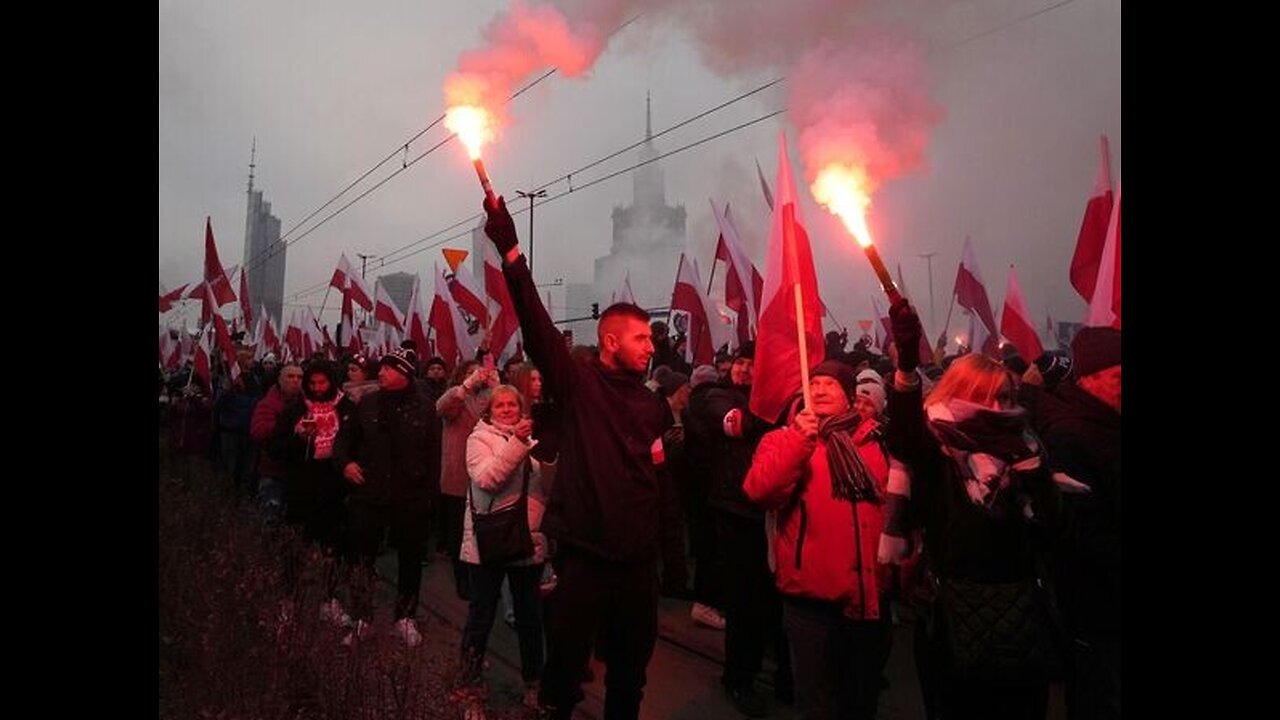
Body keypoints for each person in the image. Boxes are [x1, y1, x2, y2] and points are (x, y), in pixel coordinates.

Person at [483, 194, 685, 720]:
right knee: (565, 672)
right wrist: (511, 252)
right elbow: (536, 324)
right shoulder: (580, 384)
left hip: (639, 567)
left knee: (629, 675)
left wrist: (672, 550)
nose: (650, 346)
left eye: (651, 338)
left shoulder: (651, 406)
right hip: (585, 560)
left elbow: (659, 479)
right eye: (640, 338)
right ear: (610, 340)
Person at [885, 299, 1062, 719]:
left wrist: (1034, 476)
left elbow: (1054, 529)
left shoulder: (1027, 446)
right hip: (950, 618)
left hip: (1019, 620)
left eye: (1004, 397)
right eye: (983, 398)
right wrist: (908, 366)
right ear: (959, 395)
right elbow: (905, 439)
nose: (996, 409)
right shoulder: (938, 444)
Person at [744, 361, 892, 720]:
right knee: (817, 703)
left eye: (831, 384)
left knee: (860, 702)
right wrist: (799, 440)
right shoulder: (782, 438)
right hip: (810, 599)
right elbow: (759, 490)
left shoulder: (875, 442)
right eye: (815, 383)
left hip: (867, 597)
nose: (822, 389)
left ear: (849, 396)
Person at [1033, 327, 1121, 719]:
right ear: (1089, 378)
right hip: (1096, 606)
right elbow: (1082, 533)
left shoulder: (1106, 424)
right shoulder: (1070, 435)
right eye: (1118, 377)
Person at [333, 347, 442, 647]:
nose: (380, 373)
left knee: (409, 557)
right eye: (381, 368)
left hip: (411, 497)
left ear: (404, 374)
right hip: (369, 494)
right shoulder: (366, 404)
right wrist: (345, 464)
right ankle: (362, 618)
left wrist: (431, 499)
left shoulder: (425, 408)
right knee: (362, 558)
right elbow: (343, 442)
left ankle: (404, 618)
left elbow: (434, 455)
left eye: (388, 369)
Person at [455, 385, 548, 716]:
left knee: (530, 616)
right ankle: (468, 683)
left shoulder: (536, 437)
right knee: (481, 614)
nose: (508, 409)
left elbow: (546, 487)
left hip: (527, 539)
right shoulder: (478, 439)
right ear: (489, 411)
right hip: (490, 540)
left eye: (513, 404)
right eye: (501, 405)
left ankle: (534, 683)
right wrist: (518, 443)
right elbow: (487, 479)